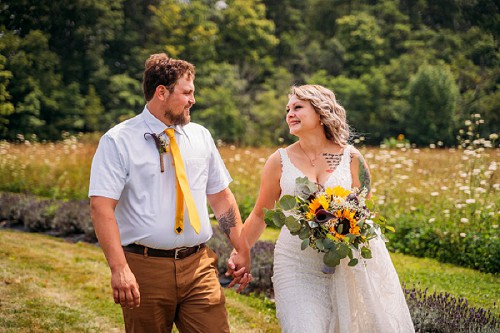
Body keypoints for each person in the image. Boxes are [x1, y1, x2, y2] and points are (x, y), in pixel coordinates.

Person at [228, 85, 414, 332]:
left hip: (345, 267)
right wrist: (241, 251)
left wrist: (349, 232)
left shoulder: (351, 158)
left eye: (298, 107)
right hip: (295, 263)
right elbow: (261, 213)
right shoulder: (279, 160)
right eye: (288, 109)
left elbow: (367, 212)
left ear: (320, 111)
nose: (290, 114)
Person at [89, 53, 251, 333]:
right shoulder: (118, 140)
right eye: (187, 93)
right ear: (161, 92)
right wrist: (119, 268)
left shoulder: (201, 136)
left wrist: (242, 246)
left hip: (199, 265)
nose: (193, 100)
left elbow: (221, 197)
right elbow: (101, 207)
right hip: (145, 268)